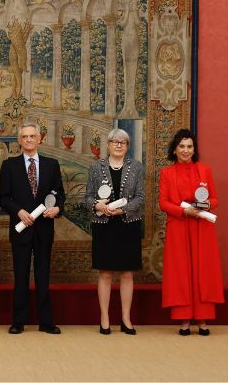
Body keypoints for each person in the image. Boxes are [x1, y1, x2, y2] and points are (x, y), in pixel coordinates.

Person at [0, 122, 64, 335]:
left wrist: (57, 209)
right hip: (21, 228)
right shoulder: (9, 165)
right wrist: (18, 211)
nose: (28, 140)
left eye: (32, 136)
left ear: (39, 139)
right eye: (24, 136)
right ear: (19, 140)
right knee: (21, 275)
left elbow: (60, 195)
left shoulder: (52, 164)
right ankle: (19, 321)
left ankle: (46, 322)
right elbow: (3, 198)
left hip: (44, 229)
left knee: (43, 276)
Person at [159, 128, 224, 336]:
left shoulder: (205, 170)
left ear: (194, 149)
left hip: (202, 227)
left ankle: (203, 320)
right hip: (178, 226)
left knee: (203, 270)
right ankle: (184, 320)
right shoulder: (166, 173)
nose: (186, 150)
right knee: (181, 271)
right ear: (175, 150)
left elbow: (215, 199)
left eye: (190, 146)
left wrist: (204, 206)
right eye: (182, 147)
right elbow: (163, 203)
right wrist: (182, 210)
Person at [85, 128, 144, 335]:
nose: (118, 145)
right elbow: (88, 197)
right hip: (104, 226)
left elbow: (140, 198)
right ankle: (105, 318)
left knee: (127, 273)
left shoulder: (136, 167)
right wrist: (98, 206)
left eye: (123, 142)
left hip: (128, 224)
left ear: (127, 146)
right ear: (108, 145)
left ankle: (126, 319)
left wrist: (123, 210)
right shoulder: (96, 167)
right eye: (114, 142)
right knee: (105, 273)